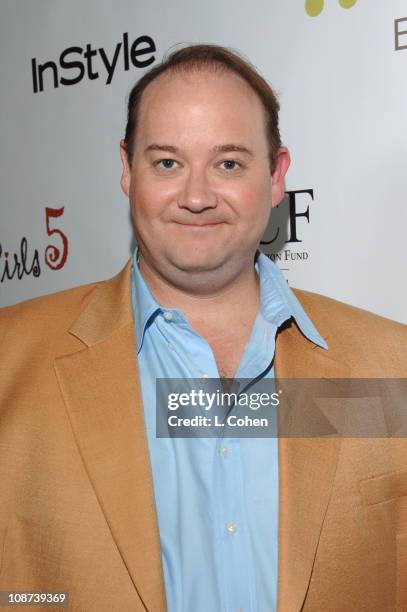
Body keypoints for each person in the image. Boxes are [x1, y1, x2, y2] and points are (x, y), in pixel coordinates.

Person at [0, 43, 406, 612]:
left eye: (229, 163)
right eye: (167, 162)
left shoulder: (391, 366)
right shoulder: (10, 364)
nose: (195, 197)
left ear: (275, 176)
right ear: (126, 168)